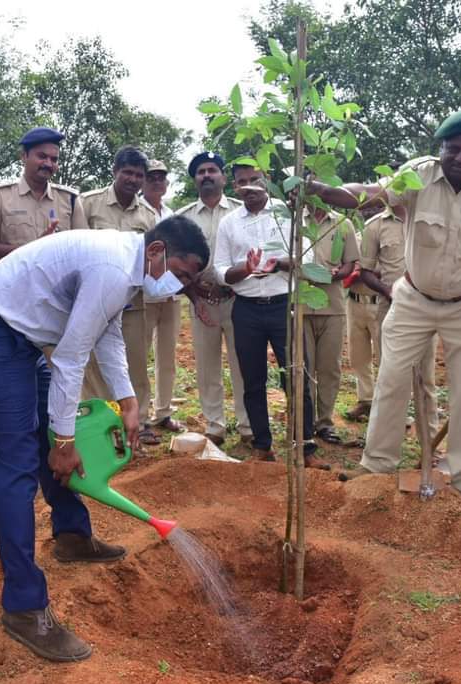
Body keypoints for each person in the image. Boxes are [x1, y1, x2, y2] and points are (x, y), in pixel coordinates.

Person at [0, 215, 208, 661]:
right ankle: (25, 608)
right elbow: (71, 359)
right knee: (19, 462)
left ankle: (70, 536)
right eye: (180, 273)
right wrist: (65, 444)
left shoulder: (126, 268)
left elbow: (106, 336)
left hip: (18, 339)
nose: (180, 285)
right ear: (157, 251)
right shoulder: (113, 266)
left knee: (52, 430)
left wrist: (127, 400)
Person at [309, 108, 461, 491]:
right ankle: (377, 467)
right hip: (413, 298)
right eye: (453, 149)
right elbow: (370, 193)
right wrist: (329, 192)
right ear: (441, 147)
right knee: (391, 380)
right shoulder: (419, 173)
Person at [214, 163, 328, 469]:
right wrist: (246, 270)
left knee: (296, 375)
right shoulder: (228, 223)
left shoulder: (286, 214)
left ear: (266, 180)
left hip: (283, 304)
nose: (249, 187)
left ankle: (305, 447)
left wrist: (276, 264)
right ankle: (262, 446)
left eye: (255, 180)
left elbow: (307, 258)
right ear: (234, 186)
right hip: (246, 308)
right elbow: (222, 271)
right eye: (242, 182)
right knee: (252, 379)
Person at [80, 147, 159, 442]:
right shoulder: (88, 204)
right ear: (114, 171)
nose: (132, 179)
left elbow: (153, 258)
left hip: (132, 304)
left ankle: (139, 423)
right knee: (95, 367)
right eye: (127, 172)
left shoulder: (148, 215)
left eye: (139, 175)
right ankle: (101, 426)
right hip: (94, 303)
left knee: (135, 363)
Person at [175, 151, 251, 446]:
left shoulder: (242, 211)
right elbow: (174, 260)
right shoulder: (183, 218)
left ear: (223, 177)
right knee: (207, 367)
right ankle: (215, 426)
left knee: (242, 364)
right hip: (202, 300)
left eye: (212, 170)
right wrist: (193, 293)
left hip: (239, 298)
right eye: (200, 172)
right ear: (195, 179)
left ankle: (247, 426)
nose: (206, 175)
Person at [349, 205, 440, 434]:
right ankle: (385, 442)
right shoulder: (376, 225)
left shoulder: (433, 218)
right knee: (389, 377)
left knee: (424, 380)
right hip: (389, 308)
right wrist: (388, 290)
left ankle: (427, 442)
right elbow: (365, 271)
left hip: (426, 310)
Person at [303, 204, 361, 444]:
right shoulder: (294, 221)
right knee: (302, 368)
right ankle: (303, 423)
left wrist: (336, 273)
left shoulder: (343, 224)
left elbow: (351, 263)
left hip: (333, 305)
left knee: (329, 368)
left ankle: (324, 423)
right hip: (301, 303)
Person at [0, 127, 86, 252]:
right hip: (16, 272)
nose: (48, 164)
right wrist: (34, 250)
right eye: (42, 156)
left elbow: (82, 246)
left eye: (54, 159)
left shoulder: (70, 199)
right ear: (24, 156)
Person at [140, 159, 184, 434]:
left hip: (170, 295)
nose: (157, 181)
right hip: (142, 296)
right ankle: (141, 417)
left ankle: (163, 411)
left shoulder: (172, 214)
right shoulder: (136, 212)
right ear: (143, 181)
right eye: (151, 177)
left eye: (161, 177)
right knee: (139, 357)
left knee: (167, 357)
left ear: (167, 183)